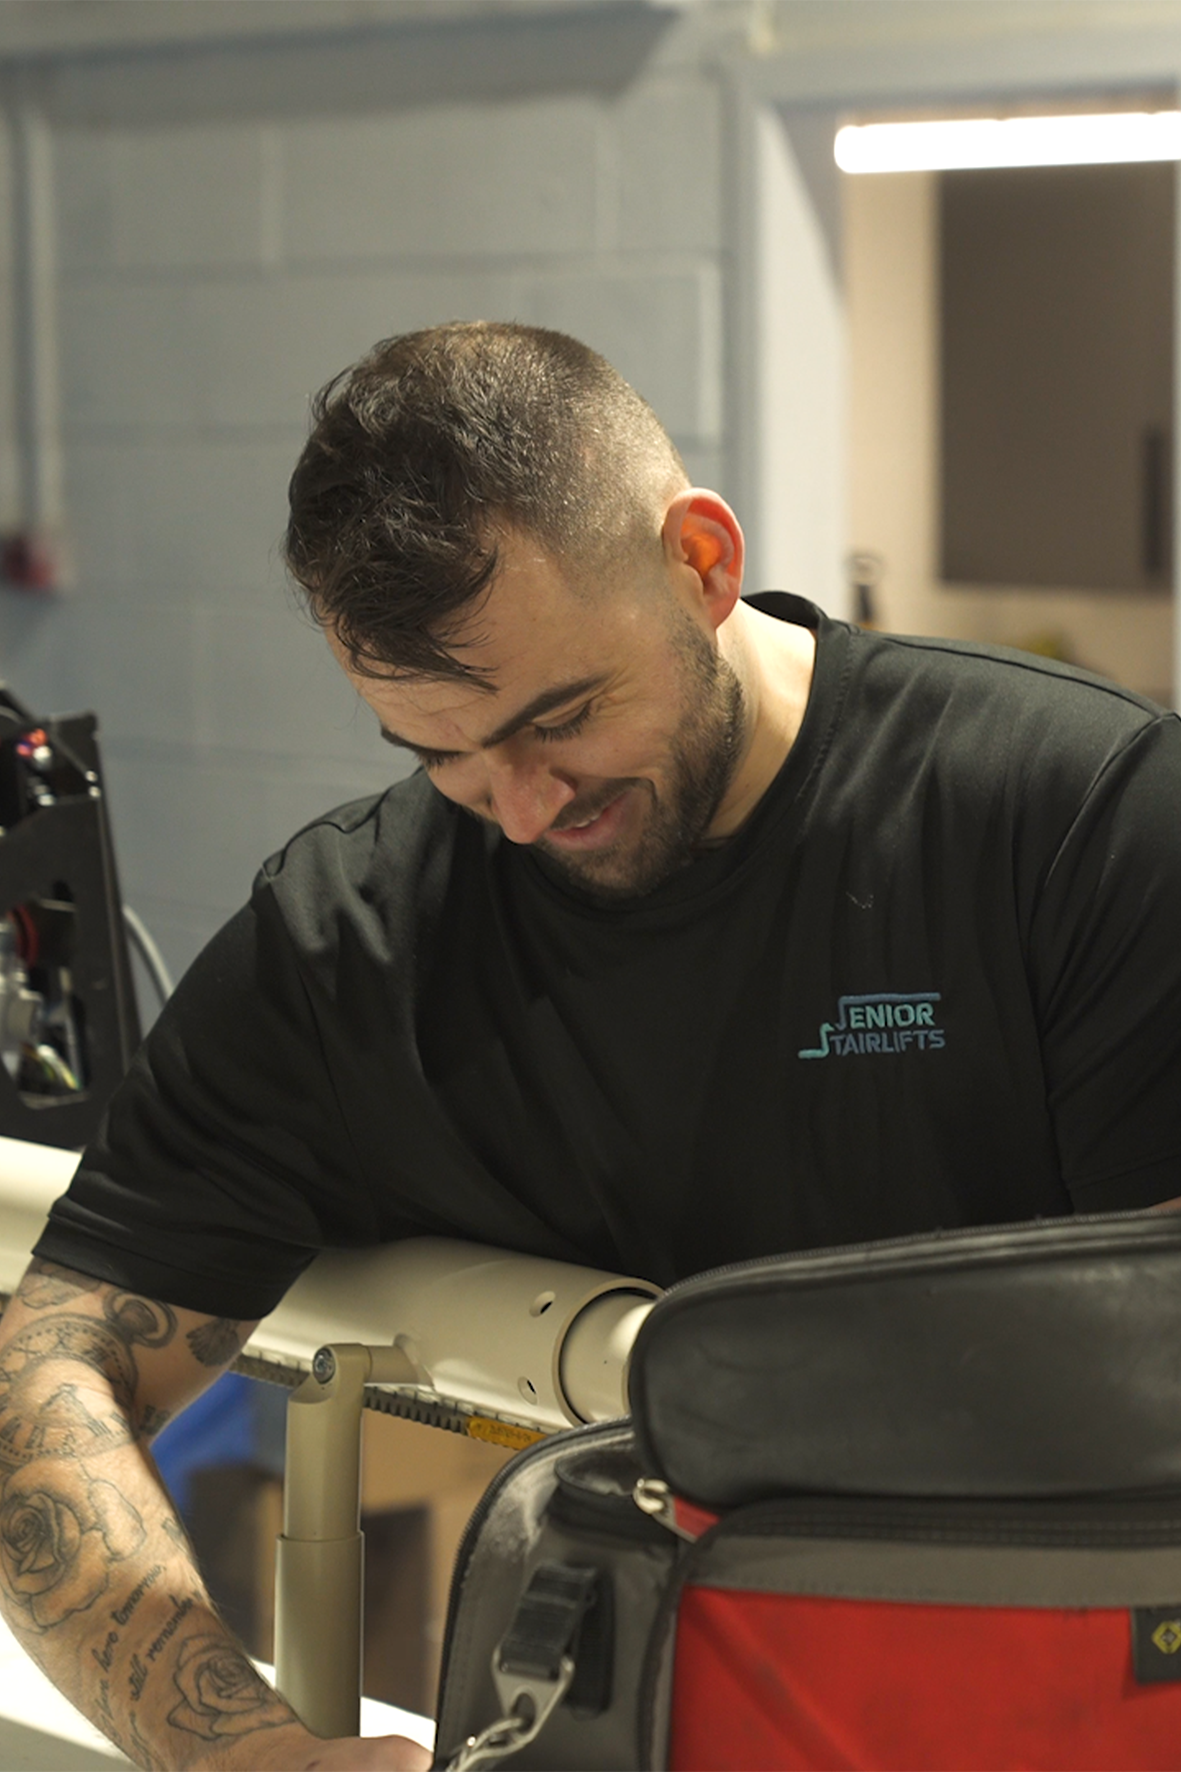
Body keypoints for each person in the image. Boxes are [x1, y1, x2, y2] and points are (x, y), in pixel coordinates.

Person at [1, 321, 1179, 1770]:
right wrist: (246, 1751)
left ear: (700, 561)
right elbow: (50, 1369)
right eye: (439, 753)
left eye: (562, 718)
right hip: (640, 1704)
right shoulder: (356, 939)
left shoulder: (1069, 816)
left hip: (1064, 1697)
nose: (519, 805)